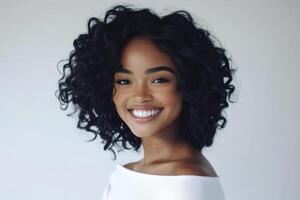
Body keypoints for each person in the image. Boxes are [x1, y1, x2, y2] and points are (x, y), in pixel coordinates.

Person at [56, 4, 236, 200]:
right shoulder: (129, 173)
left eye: (159, 80)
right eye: (125, 81)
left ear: (190, 84)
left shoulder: (185, 184)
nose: (140, 95)